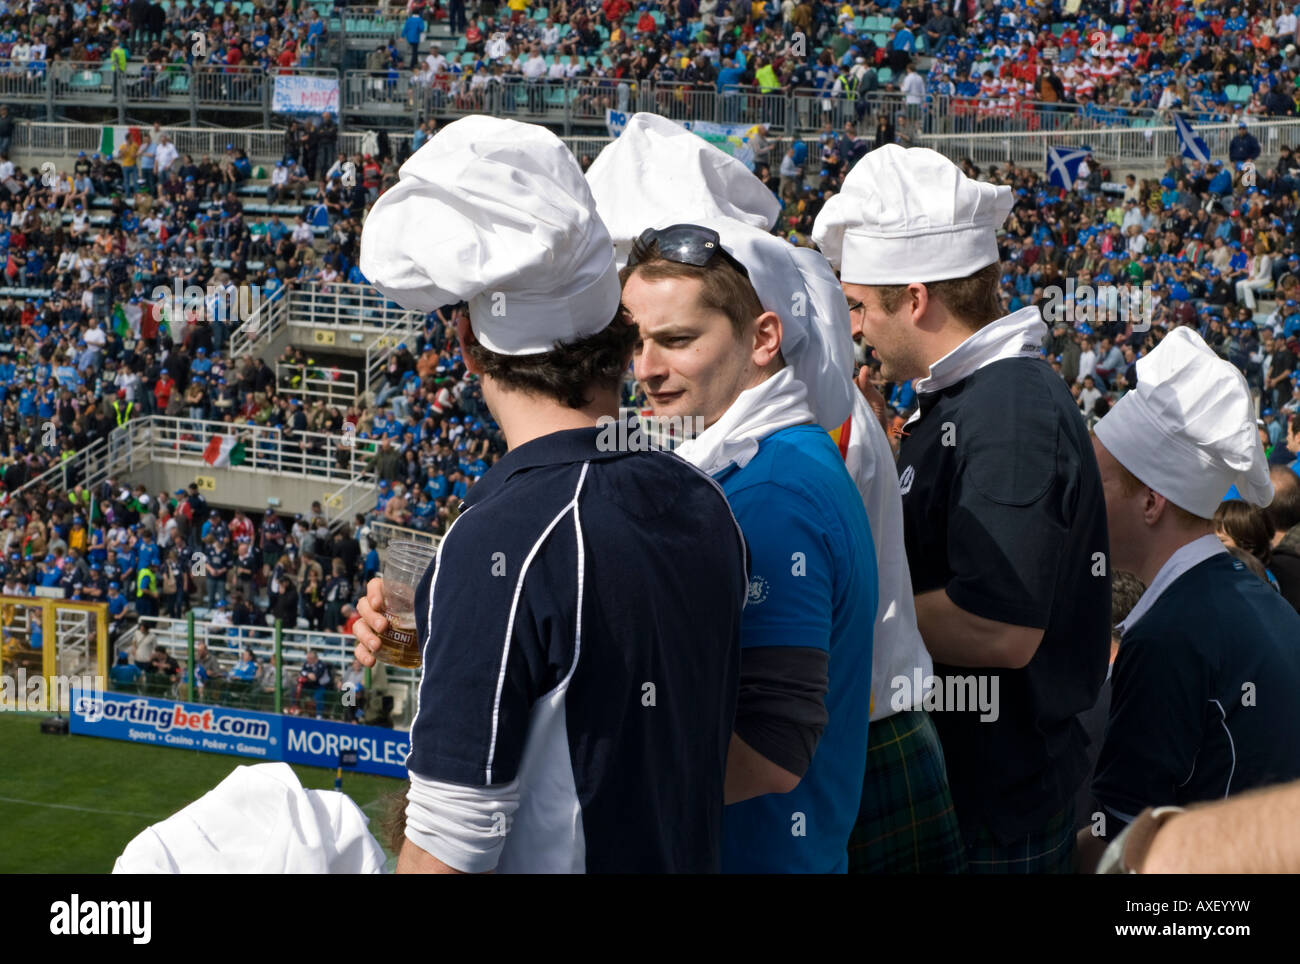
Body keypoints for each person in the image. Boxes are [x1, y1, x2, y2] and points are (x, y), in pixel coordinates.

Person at [352, 116, 749, 874]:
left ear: (465, 341)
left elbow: (449, 844)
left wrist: (465, 611)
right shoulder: (705, 500)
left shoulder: (503, 541)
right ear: (619, 329)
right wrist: (449, 637)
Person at [588, 113, 960, 873]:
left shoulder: (770, 486)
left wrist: (573, 779)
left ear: (761, 335)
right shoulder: (767, 442)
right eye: (633, 336)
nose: (644, 368)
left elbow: (768, 748)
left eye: (677, 337)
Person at [813, 145, 1111, 873]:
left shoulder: (1007, 410)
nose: (853, 328)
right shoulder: (972, 399)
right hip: (983, 787)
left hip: (993, 806)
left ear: (913, 299)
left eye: (858, 305)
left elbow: (1001, 628)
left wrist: (852, 614)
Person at [1078, 327, 1300, 871]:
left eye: (1097, 483)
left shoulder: (1167, 637)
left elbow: (1123, 848)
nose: (1081, 499)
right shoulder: (1255, 597)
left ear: (1151, 502)